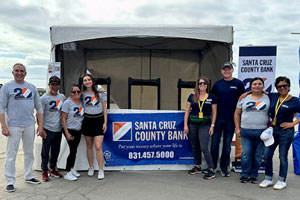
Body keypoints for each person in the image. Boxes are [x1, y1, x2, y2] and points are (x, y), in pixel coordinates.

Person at [0, 63, 44, 193]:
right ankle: (10, 181)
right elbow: (1, 107)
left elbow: (39, 107)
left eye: (22, 71)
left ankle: (29, 176)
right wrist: (4, 126)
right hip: (13, 125)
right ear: (13, 72)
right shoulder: (7, 87)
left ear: (26, 73)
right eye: (17, 71)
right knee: (11, 154)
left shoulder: (31, 87)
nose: (19, 73)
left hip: (29, 124)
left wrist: (40, 125)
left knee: (29, 152)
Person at [259, 76, 300, 190]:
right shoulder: (273, 96)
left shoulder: (295, 100)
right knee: (267, 155)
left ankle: (282, 180)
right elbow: (258, 91)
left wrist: (293, 124)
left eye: (284, 86)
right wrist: (244, 95)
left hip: (285, 132)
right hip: (272, 130)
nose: (282, 88)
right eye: (279, 86)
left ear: (289, 87)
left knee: (282, 157)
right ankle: (268, 178)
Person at [210, 62, 245, 176]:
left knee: (227, 146)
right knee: (214, 144)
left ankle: (224, 168)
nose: (226, 71)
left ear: (232, 70)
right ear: (221, 71)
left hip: (231, 120)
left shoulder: (238, 84)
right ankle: (213, 167)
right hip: (218, 120)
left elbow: (244, 98)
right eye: (224, 70)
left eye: (228, 69)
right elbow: (211, 100)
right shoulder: (217, 84)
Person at [234, 77, 270, 184]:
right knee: (246, 154)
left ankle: (254, 175)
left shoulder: (268, 97)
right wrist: (237, 128)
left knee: (258, 155)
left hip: (262, 132)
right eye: (254, 84)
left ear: (263, 86)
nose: (257, 86)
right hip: (246, 131)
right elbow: (237, 113)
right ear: (250, 86)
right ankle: (245, 174)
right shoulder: (243, 98)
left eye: (259, 84)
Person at [184, 77, 217, 179]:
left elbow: (215, 112)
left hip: (205, 125)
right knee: (195, 146)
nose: (202, 85)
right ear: (197, 85)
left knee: (204, 147)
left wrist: (212, 125)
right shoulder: (192, 96)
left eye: (204, 83)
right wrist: (185, 124)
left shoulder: (212, 97)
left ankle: (211, 169)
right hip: (192, 124)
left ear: (207, 85)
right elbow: (187, 111)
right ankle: (197, 166)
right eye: (200, 83)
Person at [81, 74, 107, 179]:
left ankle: (101, 169)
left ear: (92, 81)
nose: (87, 82)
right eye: (85, 80)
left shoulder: (100, 93)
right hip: (87, 120)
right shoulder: (82, 94)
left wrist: (105, 122)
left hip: (98, 120)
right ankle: (91, 167)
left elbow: (105, 109)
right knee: (89, 146)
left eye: (89, 79)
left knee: (98, 146)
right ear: (83, 83)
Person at [40, 76, 66, 181]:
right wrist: (41, 129)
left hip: (58, 129)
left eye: (57, 84)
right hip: (47, 128)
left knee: (56, 151)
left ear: (59, 85)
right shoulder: (43, 98)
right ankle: (44, 171)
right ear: (49, 85)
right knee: (45, 152)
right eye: (52, 84)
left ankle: (52, 168)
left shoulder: (62, 97)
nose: (55, 86)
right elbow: (40, 114)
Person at [61, 85, 84, 181]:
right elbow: (63, 118)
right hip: (69, 129)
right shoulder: (67, 103)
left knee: (74, 150)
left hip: (78, 130)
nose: (76, 94)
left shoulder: (82, 103)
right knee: (73, 150)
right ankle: (67, 172)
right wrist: (66, 132)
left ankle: (72, 168)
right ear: (71, 93)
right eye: (74, 92)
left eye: (78, 92)